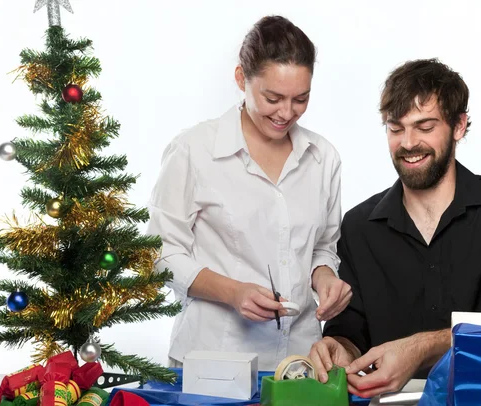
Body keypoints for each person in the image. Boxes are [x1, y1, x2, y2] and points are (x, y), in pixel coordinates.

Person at [309, 58, 481, 397]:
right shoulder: (358, 226)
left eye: (425, 127)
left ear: (459, 126)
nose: (408, 143)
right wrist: (337, 348)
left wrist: (421, 348)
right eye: (396, 128)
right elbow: (350, 332)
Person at [146, 15, 352, 371]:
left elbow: (322, 247)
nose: (286, 113)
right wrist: (233, 292)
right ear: (241, 78)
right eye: (272, 97)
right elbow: (160, 254)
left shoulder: (323, 158)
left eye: (300, 99)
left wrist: (326, 279)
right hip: (213, 359)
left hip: (300, 360)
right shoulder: (194, 150)